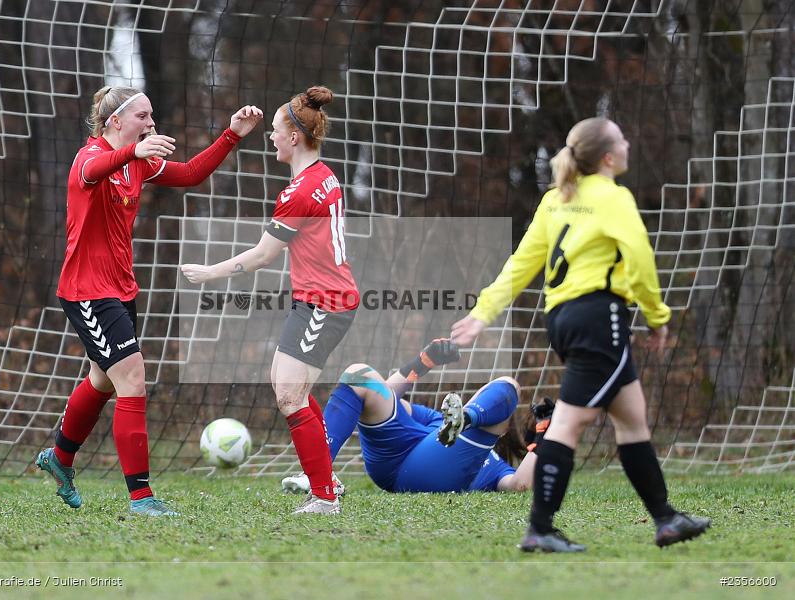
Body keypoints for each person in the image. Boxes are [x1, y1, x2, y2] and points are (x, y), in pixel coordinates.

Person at [451, 117, 711, 551]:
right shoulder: (613, 198)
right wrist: (657, 316)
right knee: (568, 424)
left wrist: (484, 312)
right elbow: (641, 261)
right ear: (609, 156)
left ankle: (667, 520)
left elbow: (520, 264)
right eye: (622, 137)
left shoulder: (557, 199)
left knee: (631, 418)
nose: (628, 142)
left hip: (565, 320)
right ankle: (540, 528)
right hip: (598, 319)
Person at [36, 85, 263, 516]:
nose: (151, 124)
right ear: (115, 121)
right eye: (143, 116)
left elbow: (192, 173)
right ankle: (142, 498)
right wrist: (135, 155)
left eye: (152, 115)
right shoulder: (90, 158)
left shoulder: (137, 165)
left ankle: (60, 459)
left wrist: (232, 134)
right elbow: (94, 169)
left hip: (120, 289)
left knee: (104, 380)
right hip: (87, 291)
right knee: (133, 379)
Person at [181, 86, 359, 514]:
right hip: (313, 298)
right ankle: (325, 478)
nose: (272, 138)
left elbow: (262, 255)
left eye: (276, 131)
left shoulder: (298, 192)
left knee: (290, 395)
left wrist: (210, 273)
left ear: (294, 137)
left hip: (327, 302)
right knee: (285, 383)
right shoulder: (323, 175)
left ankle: (324, 497)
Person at [280, 340, 544, 495]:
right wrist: (423, 362)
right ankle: (318, 473)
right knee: (360, 375)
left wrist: (546, 438)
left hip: (430, 474)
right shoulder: (435, 420)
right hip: (395, 456)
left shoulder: (495, 464)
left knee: (510, 383)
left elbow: (519, 485)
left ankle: (468, 418)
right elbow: (385, 396)